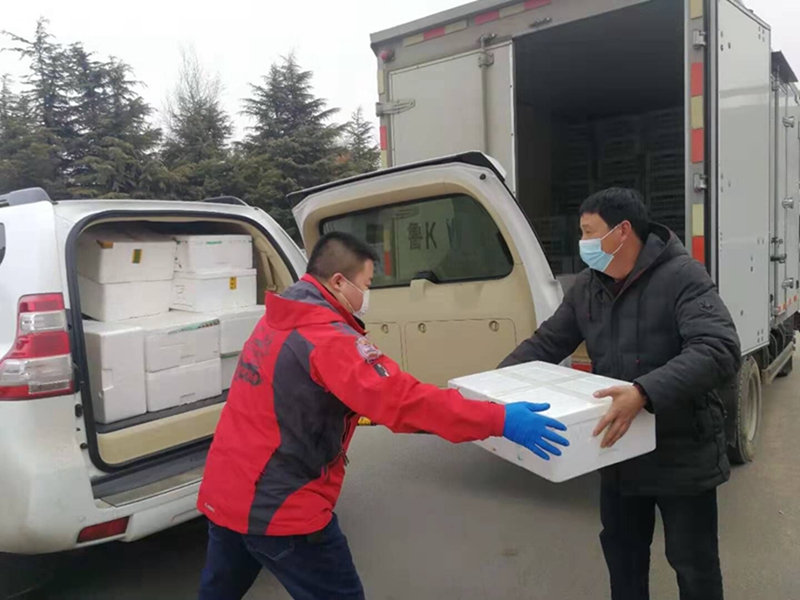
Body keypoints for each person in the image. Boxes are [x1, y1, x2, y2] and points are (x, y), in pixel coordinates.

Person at [197, 231, 570, 600]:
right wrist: (500, 419)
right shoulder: (327, 339)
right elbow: (405, 402)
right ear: (338, 282)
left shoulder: (276, 320)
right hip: (282, 508)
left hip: (227, 493)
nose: (368, 295)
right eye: (366, 284)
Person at [500, 188, 741, 600]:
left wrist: (643, 392)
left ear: (622, 231)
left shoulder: (682, 276)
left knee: (693, 564)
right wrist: (494, 384)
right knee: (623, 557)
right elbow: (547, 343)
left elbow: (718, 349)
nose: (582, 243)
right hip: (618, 451)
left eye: (588, 232)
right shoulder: (586, 288)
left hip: (681, 451)